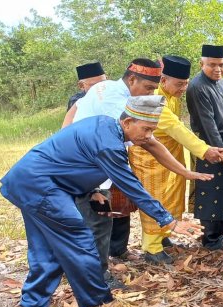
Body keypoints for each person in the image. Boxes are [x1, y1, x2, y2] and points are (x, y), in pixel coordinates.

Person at [1, 95, 205, 307]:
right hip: (42, 187)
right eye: (146, 129)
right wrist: (168, 220)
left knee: (46, 247)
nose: (148, 137)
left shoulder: (105, 125)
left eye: (152, 131)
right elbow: (132, 186)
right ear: (127, 122)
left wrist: (93, 191)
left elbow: (71, 160)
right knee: (79, 240)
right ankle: (99, 305)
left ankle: (29, 305)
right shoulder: (110, 144)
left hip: (26, 180)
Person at [64, 58, 196, 288]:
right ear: (132, 79)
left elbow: (74, 112)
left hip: (83, 163)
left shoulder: (102, 87)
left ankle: (81, 269)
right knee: (99, 222)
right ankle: (96, 277)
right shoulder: (119, 103)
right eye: (147, 88)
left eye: (153, 89)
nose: (149, 93)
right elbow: (148, 142)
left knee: (89, 221)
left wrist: (63, 136)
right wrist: (183, 172)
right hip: (89, 167)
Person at [129, 55, 223, 264]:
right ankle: (152, 248)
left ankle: (164, 237)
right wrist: (204, 150)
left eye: (186, 83)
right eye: (180, 84)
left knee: (171, 198)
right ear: (163, 81)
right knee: (155, 199)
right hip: (150, 160)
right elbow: (177, 128)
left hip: (169, 158)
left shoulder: (171, 95)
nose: (184, 88)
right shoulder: (153, 99)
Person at [187, 44, 223, 251]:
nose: (217, 69)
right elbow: (207, 122)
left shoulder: (222, 83)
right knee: (212, 191)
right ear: (202, 64)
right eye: (212, 65)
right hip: (212, 145)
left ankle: (221, 235)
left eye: (221, 65)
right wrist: (221, 150)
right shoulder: (198, 86)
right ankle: (211, 239)